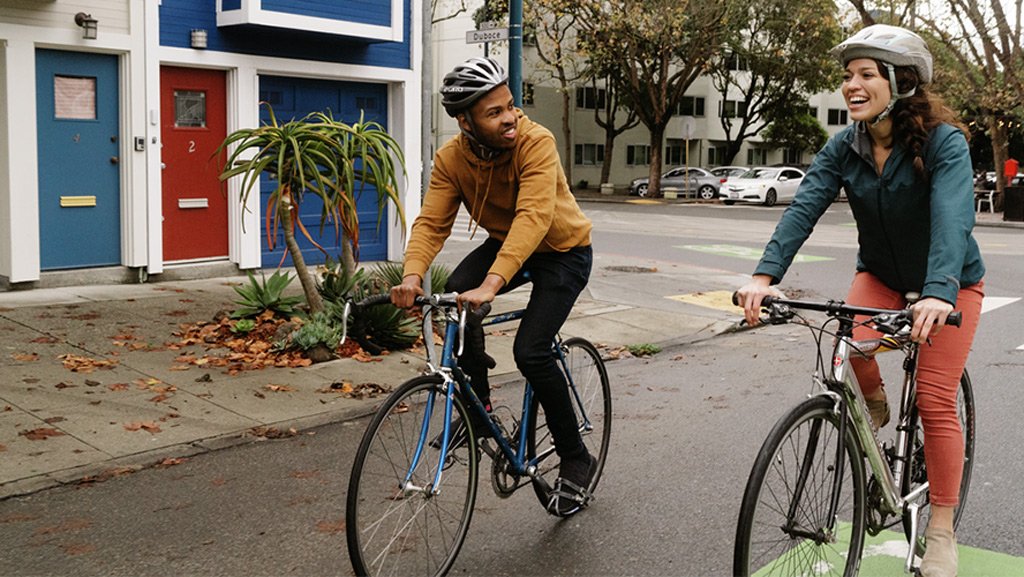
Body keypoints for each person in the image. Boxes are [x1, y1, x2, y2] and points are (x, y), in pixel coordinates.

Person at [734, 25, 985, 577]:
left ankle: (941, 532)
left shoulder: (945, 143)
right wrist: (763, 274)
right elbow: (804, 208)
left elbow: (951, 219)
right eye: (848, 75)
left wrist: (941, 292)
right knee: (850, 348)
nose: (851, 84)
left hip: (951, 284)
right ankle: (872, 405)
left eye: (865, 74)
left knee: (936, 399)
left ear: (901, 81)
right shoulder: (843, 146)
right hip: (882, 277)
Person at [390, 56, 596, 517]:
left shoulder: (535, 142)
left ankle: (576, 456)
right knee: (456, 296)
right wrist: (411, 275)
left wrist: (493, 284)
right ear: (464, 122)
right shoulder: (451, 159)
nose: (509, 119)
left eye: (510, 106)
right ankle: (476, 409)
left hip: (562, 252)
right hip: (508, 245)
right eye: (494, 112)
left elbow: (534, 218)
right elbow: (431, 223)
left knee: (532, 351)